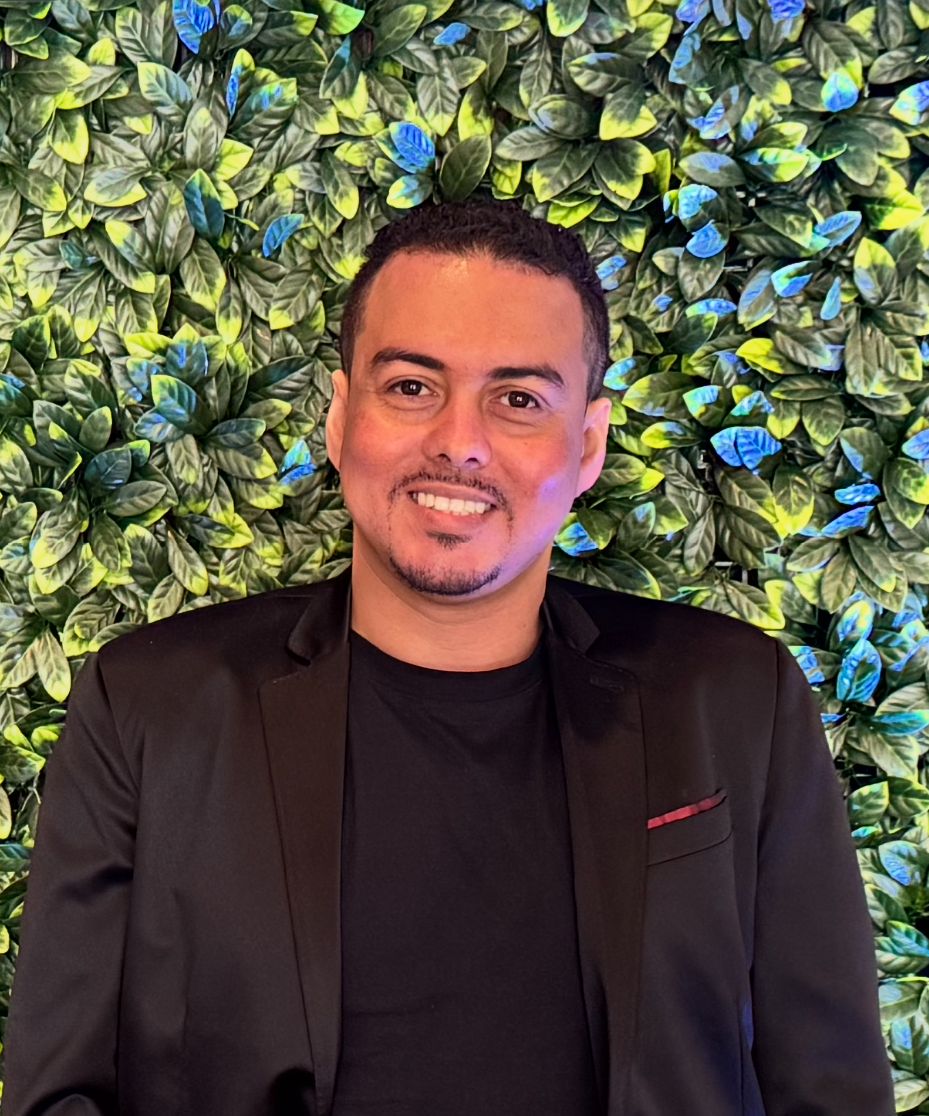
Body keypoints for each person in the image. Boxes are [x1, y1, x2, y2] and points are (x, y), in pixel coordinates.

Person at [4, 200, 892, 1115]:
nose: (458, 444)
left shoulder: (734, 699)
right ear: (341, 418)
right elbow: (58, 1095)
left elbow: (830, 1090)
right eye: (410, 387)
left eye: (518, 400)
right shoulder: (148, 705)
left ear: (587, 445)